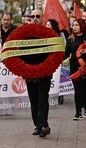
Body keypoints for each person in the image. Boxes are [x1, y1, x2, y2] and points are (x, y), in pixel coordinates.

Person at [25, 9, 52, 138]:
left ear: (42, 18)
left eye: (37, 16)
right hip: (30, 72)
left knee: (42, 99)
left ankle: (44, 124)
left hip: (44, 73)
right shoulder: (25, 34)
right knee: (34, 100)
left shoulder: (49, 34)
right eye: (33, 16)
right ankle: (38, 125)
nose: (35, 18)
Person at [65, 18, 86, 120]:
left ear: (82, 26)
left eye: (76, 25)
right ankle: (78, 112)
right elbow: (66, 54)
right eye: (73, 25)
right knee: (78, 90)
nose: (74, 27)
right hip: (75, 68)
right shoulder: (71, 39)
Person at [45, 19, 69, 105]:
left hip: (58, 59)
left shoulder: (60, 34)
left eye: (48, 25)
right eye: (46, 24)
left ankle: (60, 95)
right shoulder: (44, 34)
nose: (47, 26)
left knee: (59, 77)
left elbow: (64, 45)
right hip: (48, 59)